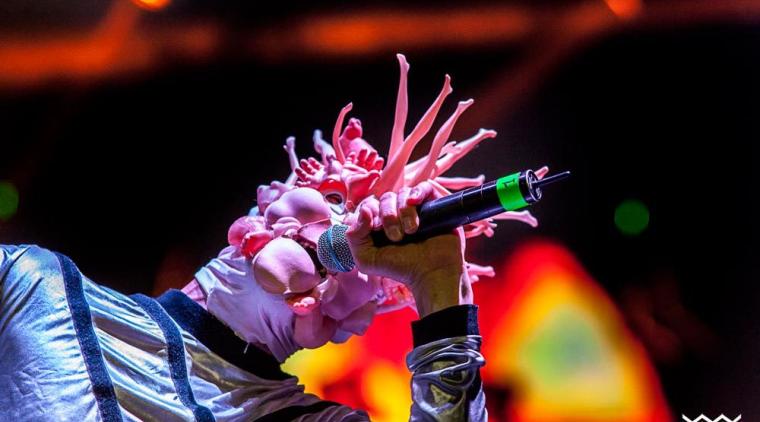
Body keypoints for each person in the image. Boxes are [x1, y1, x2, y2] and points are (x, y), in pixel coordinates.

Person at [0, 55, 542, 421]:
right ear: (267, 200)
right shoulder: (35, 289)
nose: (349, 229)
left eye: (380, 259)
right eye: (333, 198)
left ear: (356, 320)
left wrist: (441, 288)